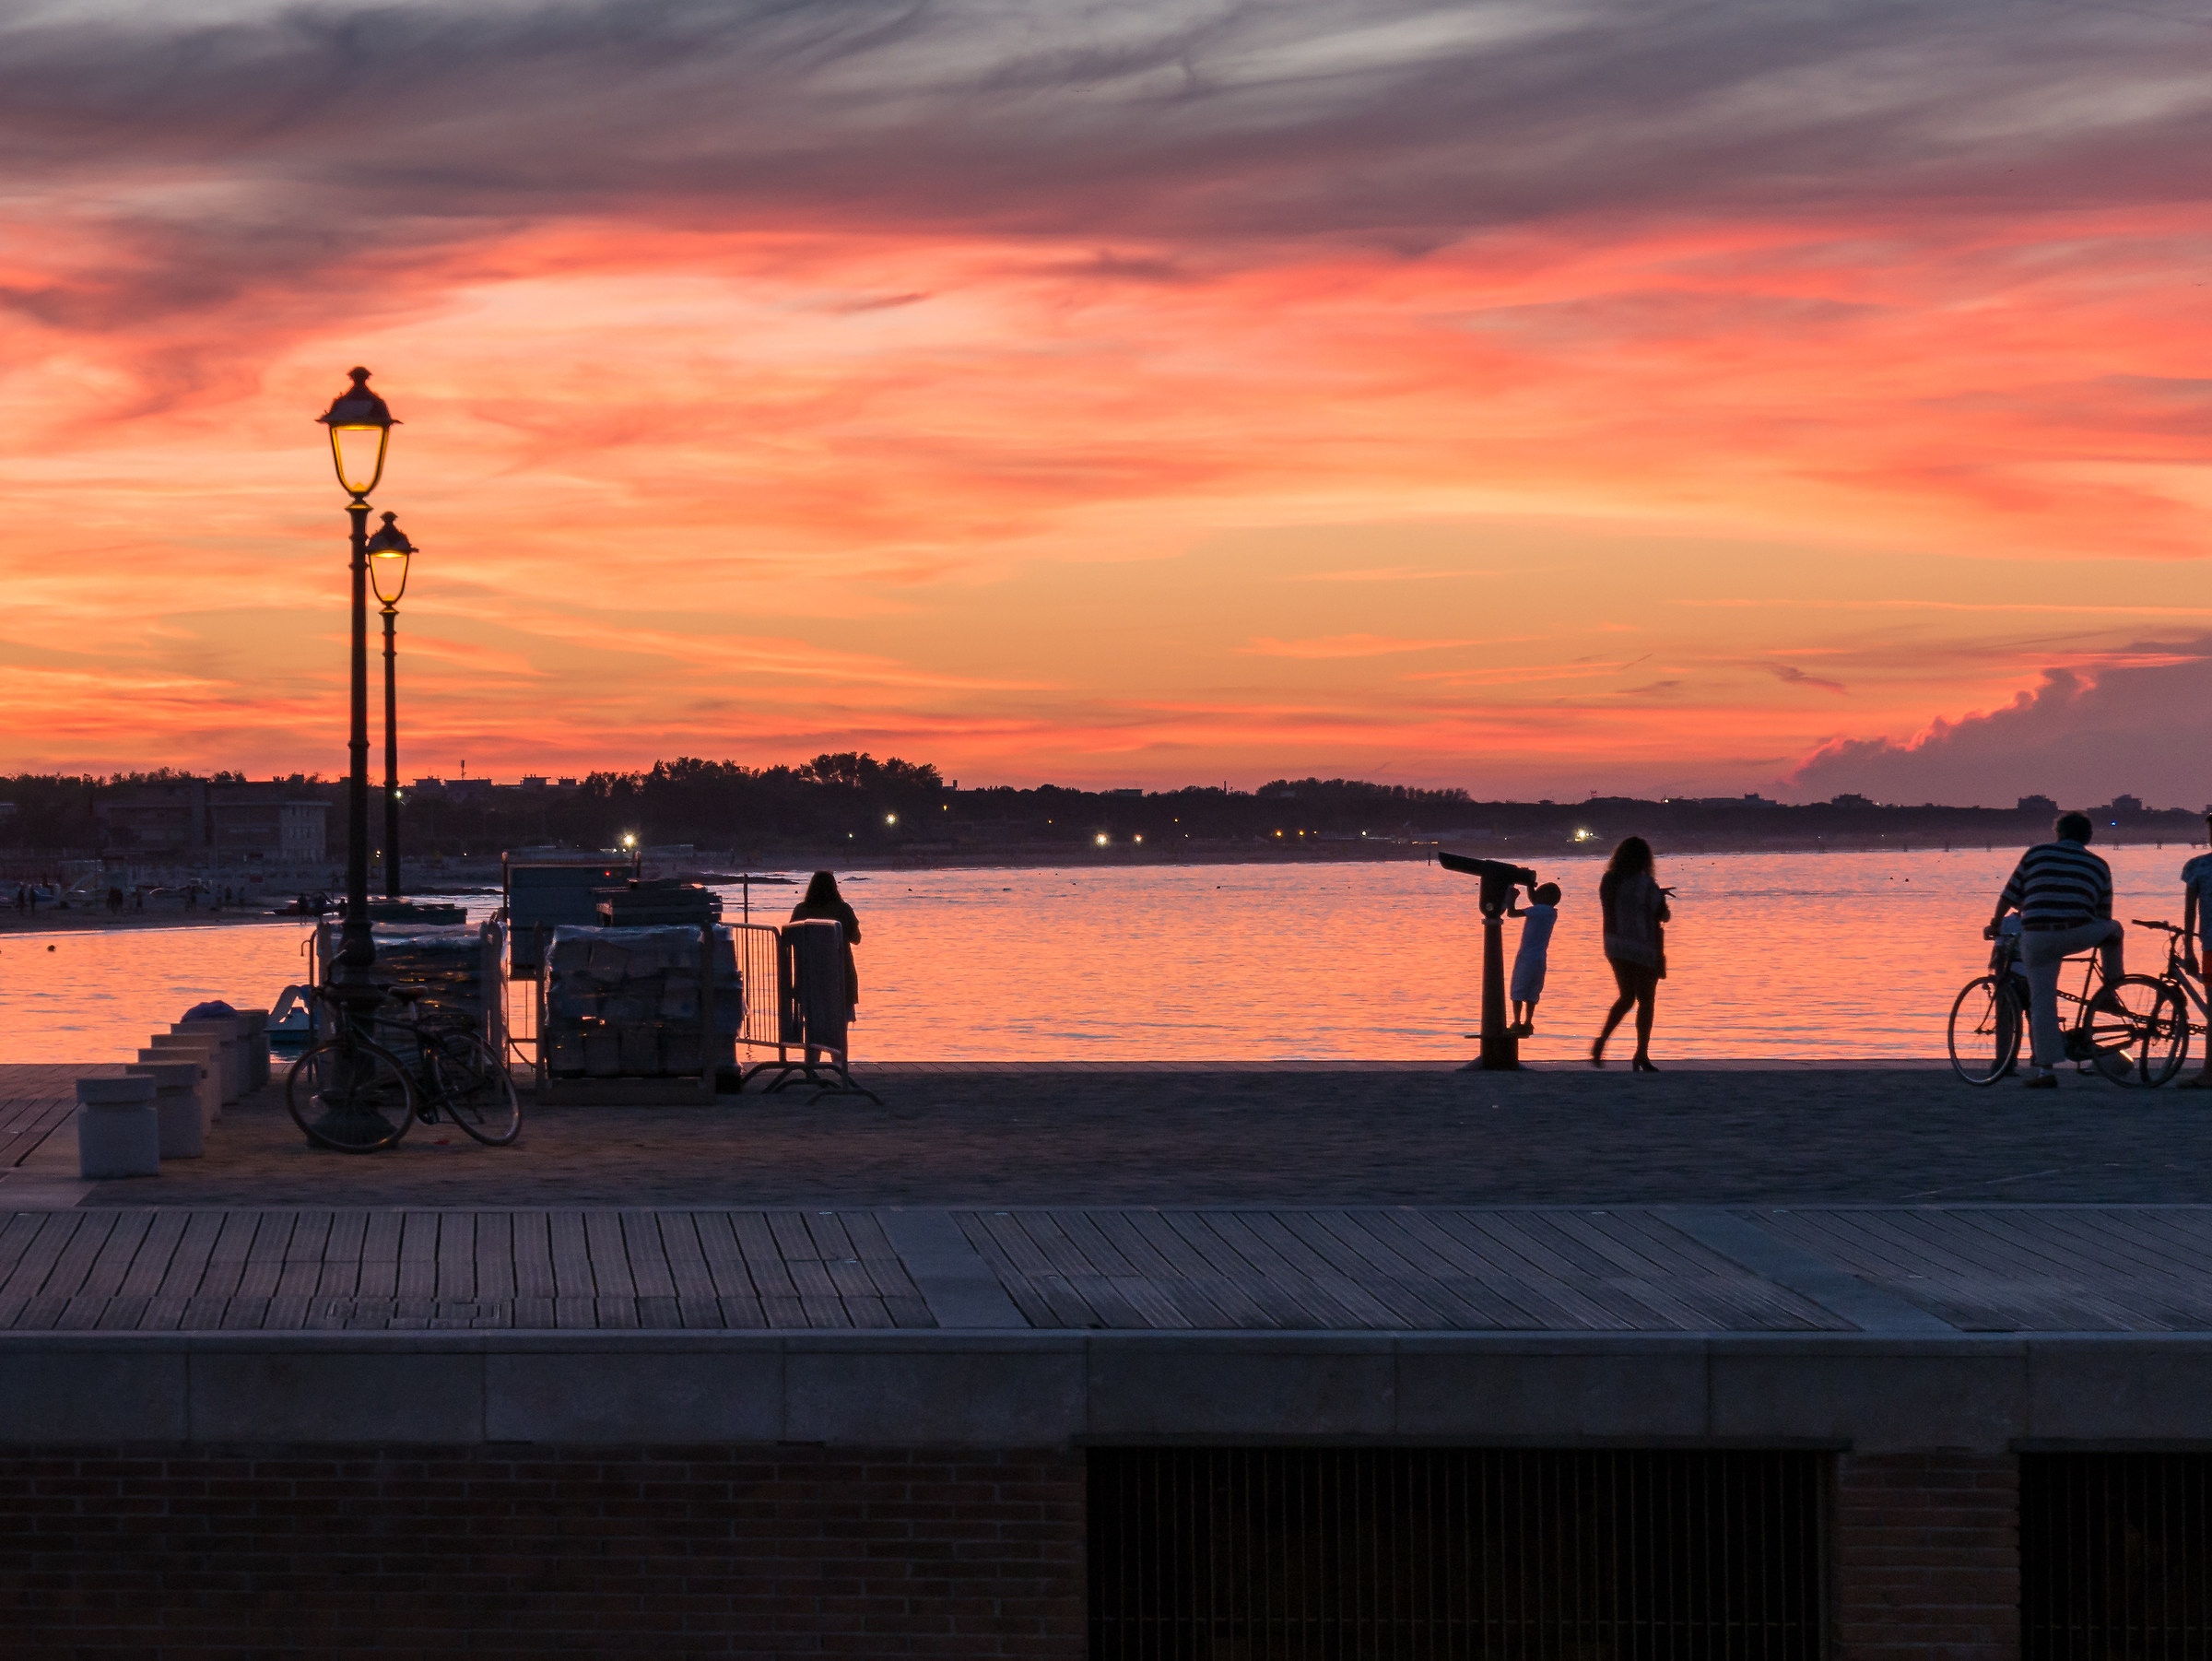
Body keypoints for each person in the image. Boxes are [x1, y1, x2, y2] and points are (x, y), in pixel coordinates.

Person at [1986, 811, 2120, 1090]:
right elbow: (2104, 915)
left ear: (2058, 833)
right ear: (2088, 837)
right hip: (2076, 933)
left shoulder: (2036, 854)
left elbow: (2009, 895)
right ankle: (2110, 989)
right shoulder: (2099, 865)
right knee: (2114, 930)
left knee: (2042, 1002)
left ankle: (2045, 1071)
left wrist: (1995, 925)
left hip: (2036, 937)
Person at [1593, 837, 1669, 1071]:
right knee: (1646, 1000)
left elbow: (1613, 904)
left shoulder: (1608, 881)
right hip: (1643, 944)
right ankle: (1641, 1054)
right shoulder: (1647, 884)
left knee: (1626, 996)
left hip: (1615, 944)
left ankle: (1602, 1040)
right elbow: (1663, 915)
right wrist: (1660, 896)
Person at [790, 870, 863, 1020]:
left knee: (813, 1024)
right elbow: (856, 938)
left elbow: (790, 938)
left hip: (809, 976)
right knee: (840, 1028)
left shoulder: (801, 910)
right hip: (840, 975)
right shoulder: (843, 909)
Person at [2177, 812, 2212, 1090]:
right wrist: (2188, 950)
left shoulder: (2197, 867)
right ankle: (2209, 1071)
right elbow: (2189, 913)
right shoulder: (2197, 867)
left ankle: (2209, 1072)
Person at [1507, 881, 1562, 1037]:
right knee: (1532, 991)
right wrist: (1529, 884)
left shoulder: (1537, 910)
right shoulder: (1551, 912)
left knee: (1517, 990)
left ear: (1545, 896)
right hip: (1540, 959)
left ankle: (1517, 1022)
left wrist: (1512, 897)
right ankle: (1528, 1022)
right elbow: (1535, 900)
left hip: (1526, 957)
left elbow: (1511, 913)